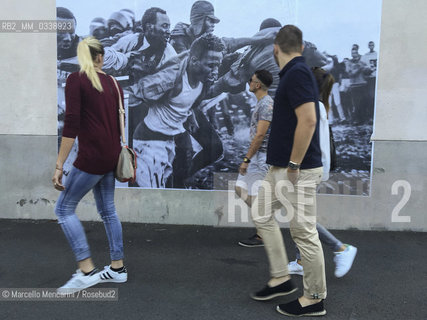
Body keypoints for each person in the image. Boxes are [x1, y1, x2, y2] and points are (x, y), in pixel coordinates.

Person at [250, 25, 326, 317]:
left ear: (274, 47)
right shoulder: (293, 72)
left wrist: (294, 164)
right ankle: (281, 278)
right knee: (261, 213)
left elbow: (308, 120)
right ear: (302, 47)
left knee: (303, 233)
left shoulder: (296, 73)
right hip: (281, 168)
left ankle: (315, 297)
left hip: (298, 170)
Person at [52, 37, 127, 293]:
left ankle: (87, 270)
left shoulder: (76, 79)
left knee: (63, 209)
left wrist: (60, 164)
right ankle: (117, 268)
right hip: (111, 155)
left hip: (92, 157)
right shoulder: (114, 83)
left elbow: (71, 124)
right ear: (100, 57)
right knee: (107, 210)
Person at [287, 67, 357, 279]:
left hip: (307, 168)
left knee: (303, 220)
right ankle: (300, 261)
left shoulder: (313, 108)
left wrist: (294, 166)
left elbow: (308, 142)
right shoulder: (317, 106)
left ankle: (340, 248)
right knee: (300, 218)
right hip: (311, 168)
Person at [129, 34, 225, 188]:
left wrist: (191, 114)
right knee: (153, 198)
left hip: (171, 140)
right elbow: (134, 94)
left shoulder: (203, 78)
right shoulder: (170, 78)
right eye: (211, 65)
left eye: (218, 65)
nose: (215, 71)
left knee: (170, 190)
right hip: (150, 142)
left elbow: (190, 98)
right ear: (194, 61)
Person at [234, 70, 273, 237]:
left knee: (258, 194)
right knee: (239, 188)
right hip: (257, 155)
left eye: (251, 80)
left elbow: (260, 135)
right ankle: (265, 222)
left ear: (258, 85)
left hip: (262, 156)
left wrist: (246, 159)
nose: (249, 82)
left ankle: (262, 232)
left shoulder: (266, 104)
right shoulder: (261, 102)